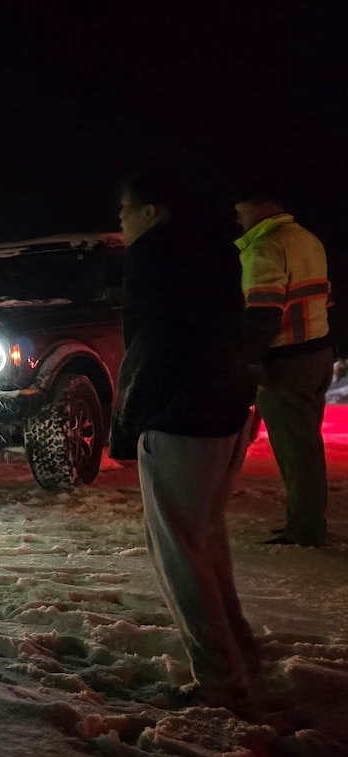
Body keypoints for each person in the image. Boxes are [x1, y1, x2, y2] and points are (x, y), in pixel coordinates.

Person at [110, 171, 262, 708]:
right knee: (205, 536)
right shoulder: (218, 250)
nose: (120, 221)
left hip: (181, 413)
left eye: (125, 209)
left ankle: (221, 679)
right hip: (226, 405)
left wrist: (128, 421)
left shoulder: (153, 257)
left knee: (176, 545)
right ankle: (242, 653)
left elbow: (150, 346)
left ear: (154, 210)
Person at [234, 180, 333, 547]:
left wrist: (250, 359)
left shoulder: (265, 246)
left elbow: (263, 313)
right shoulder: (308, 239)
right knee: (306, 445)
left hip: (287, 359)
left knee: (296, 450)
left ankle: (305, 529)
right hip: (317, 352)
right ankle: (306, 521)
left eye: (241, 211)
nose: (238, 218)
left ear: (260, 208)